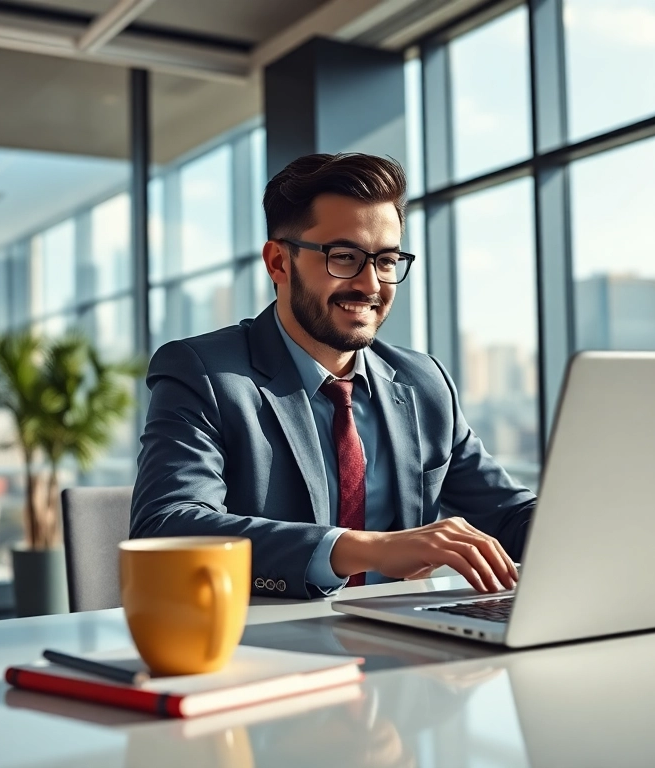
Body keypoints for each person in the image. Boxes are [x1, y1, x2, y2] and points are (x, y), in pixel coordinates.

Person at [131, 152, 535, 599]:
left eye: (385, 261)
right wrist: (367, 549)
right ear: (278, 263)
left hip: (407, 642)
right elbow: (167, 524)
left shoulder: (424, 383)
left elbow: (509, 515)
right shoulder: (204, 373)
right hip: (266, 647)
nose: (371, 284)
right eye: (344, 257)